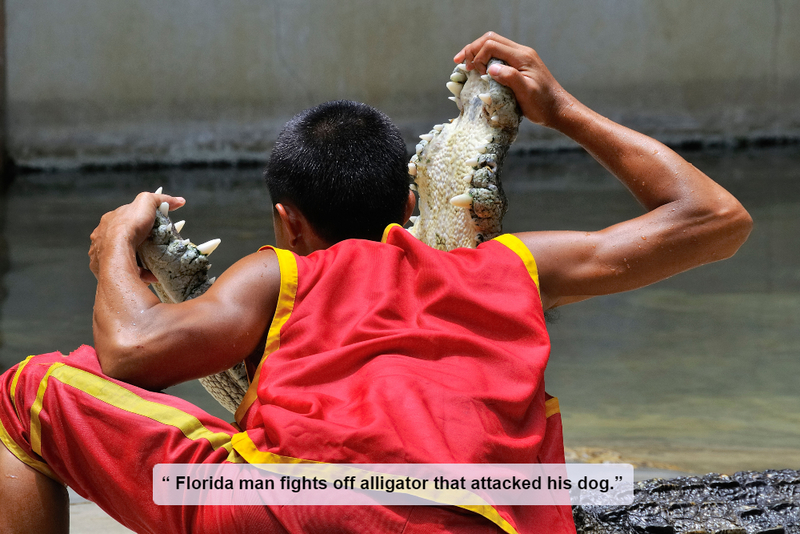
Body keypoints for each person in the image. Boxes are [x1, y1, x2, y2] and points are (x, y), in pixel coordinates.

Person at [0, 32, 751, 534]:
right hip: (498, 522)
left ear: (287, 220)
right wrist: (565, 111)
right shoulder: (513, 267)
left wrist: (114, 251)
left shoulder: (281, 269)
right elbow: (717, 218)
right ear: (411, 205)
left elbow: (131, 349)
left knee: (23, 393)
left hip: (308, 512)